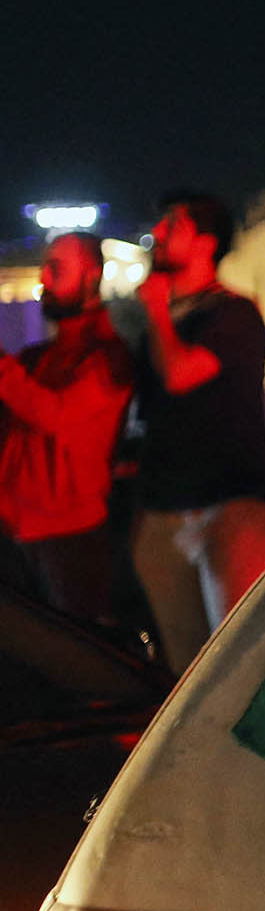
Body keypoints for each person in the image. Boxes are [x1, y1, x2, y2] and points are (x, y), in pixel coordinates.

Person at [117, 191, 265, 675]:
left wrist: (158, 312)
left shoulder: (235, 314)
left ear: (206, 242)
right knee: (185, 670)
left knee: (238, 658)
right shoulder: (159, 321)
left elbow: (182, 376)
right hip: (164, 505)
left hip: (230, 503)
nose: (158, 234)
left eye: (173, 225)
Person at [0, 232, 134, 621]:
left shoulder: (109, 360)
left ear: (93, 277)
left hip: (70, 539)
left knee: (81, 661)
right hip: (17, 532)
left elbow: (56, 415)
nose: (42, 278)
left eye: (55, 268)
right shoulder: (37, 357)